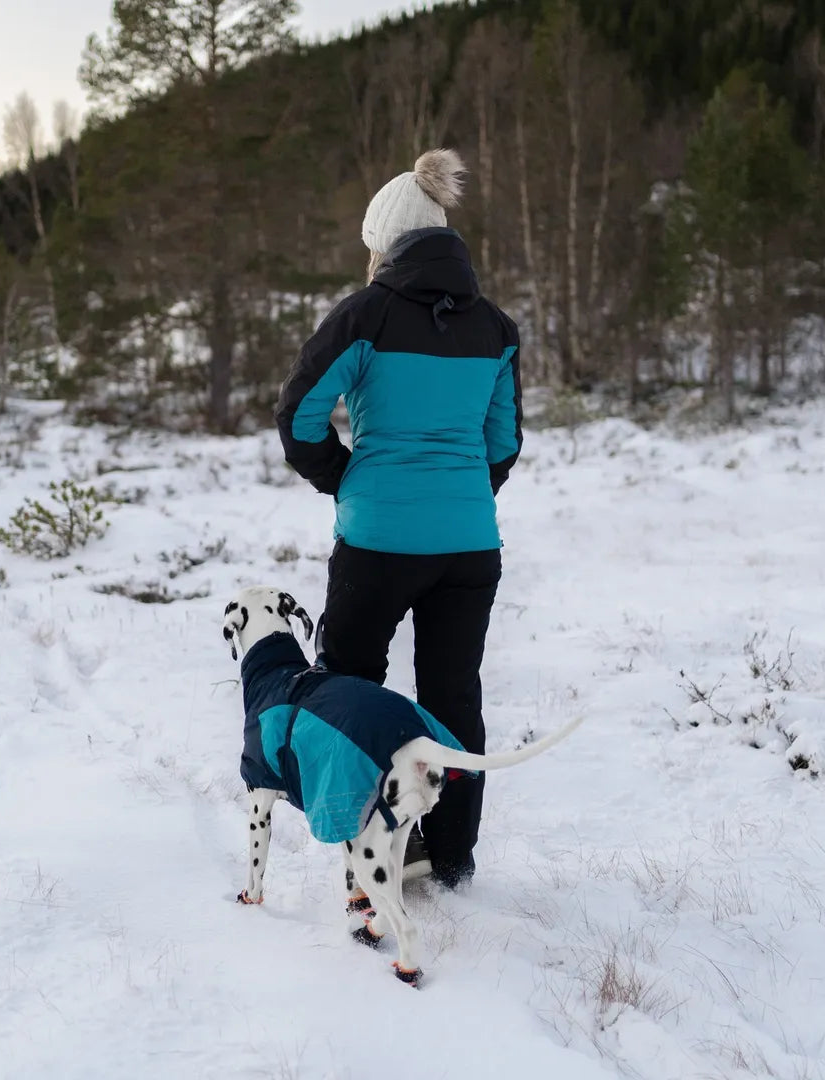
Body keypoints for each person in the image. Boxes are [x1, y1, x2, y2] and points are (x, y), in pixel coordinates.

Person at [274, 148, 522, 889]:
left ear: (385, 245)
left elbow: (298, 415)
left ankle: (368, 853)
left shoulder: (366, 313)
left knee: (349, 685)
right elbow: (503, 443)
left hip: (378, 539)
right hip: (469, 547)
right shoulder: (495, 327)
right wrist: (461, 498)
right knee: (454, 697)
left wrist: (345, 478)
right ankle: (451, 856)